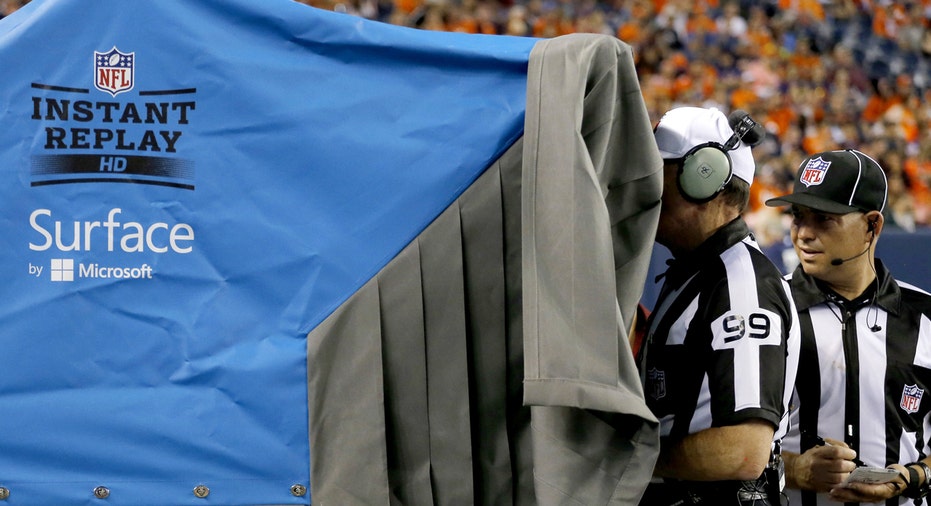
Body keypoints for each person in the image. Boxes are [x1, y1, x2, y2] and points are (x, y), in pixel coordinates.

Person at [638, 106, 801, 505]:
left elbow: (742, 451)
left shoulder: (740, 285)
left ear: (702, 176)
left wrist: (627, 456)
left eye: (658, 168)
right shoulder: (697, 271)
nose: (643, 185)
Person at [765, 149, 931, 505]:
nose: (803, 234)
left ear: (872, 225)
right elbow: (721, 439)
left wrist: (913, 475)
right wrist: (795, 470)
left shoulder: (926, 316)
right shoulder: (767, 310)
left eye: (824, 219)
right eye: (798, 216)